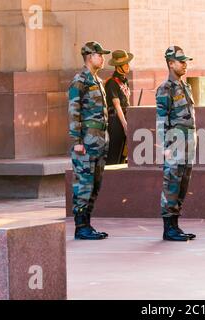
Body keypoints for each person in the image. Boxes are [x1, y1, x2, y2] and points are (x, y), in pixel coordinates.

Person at [68, 41, 111, 240]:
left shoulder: (98, 81)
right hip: (86, 140)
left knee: (95, 183)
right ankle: (80, 226)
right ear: (89, 56)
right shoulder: (80, 80)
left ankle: (87, 223)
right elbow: (74, 111)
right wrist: (77, 140)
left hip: (100, 140)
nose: (102, 58)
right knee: (84, 183)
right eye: (99, 55)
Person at [155, 46, 197, 241]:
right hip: (175, 142)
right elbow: (161, 120)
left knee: (182, 183)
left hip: (188, 142)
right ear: (171, 63)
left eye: (185, 61)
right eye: (181, 61)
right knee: (171, 183)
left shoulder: (184, 86)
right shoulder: (165, 88)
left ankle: (175, 225)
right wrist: (165, 147)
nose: (185, 64)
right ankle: (168, 228)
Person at [105, 49, 134, 164]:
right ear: (118, 66)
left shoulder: (125, 81)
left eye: (128, 63)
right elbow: (117, 106)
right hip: (116, 121)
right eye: (124, 64)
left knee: (123, 155)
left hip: (125, 119)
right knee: (114, 156)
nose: (127, 66)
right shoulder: (112, 82)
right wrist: (125, 125)